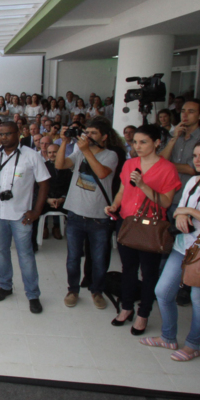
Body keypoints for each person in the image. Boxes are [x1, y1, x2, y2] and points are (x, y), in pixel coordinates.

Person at [141, 137, 200, 361]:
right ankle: (168, 337)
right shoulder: (193, 181)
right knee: (163, 292)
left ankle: (194, 344)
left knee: (199, 299)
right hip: (183, 245)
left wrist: (191, 212)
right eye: (195, 156)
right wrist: (182, 213)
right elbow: (177, 211)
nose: (197, 160)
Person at [104, 124, 180, 332]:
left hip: (151, 227)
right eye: (135, 142)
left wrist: (144, 185)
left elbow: (165, 203)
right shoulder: (130, 164)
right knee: (128, 269)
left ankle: (144, 313)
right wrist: (114, 205)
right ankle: (126, 306)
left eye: (143, 142)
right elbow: (122, 191)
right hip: (128, 222)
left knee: (149, 272)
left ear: (157, 143)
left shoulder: (167, 169)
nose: (138, 146)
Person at [0, 121, 50, 312]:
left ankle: (33, 294)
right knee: (1, 252)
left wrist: (36, 211)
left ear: (18, 134)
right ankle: (5, 286)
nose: (3, 138)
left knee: (25, 255)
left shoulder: (31, 156)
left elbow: (44, 184)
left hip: (21, 215)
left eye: (7, 134)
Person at [56, 119, 119, 309]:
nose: (88, 136)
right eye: (87, 132)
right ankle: (73, 289)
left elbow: (101, 173)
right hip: (75, 213)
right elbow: (60, 165)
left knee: (99, 259)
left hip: (99, 217)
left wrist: (85, 151)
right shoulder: (79, 152)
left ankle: (97, 291)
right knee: (73, 257)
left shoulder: (111, 155)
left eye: (93, 133)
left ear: (104, 137)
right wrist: (64, 142)